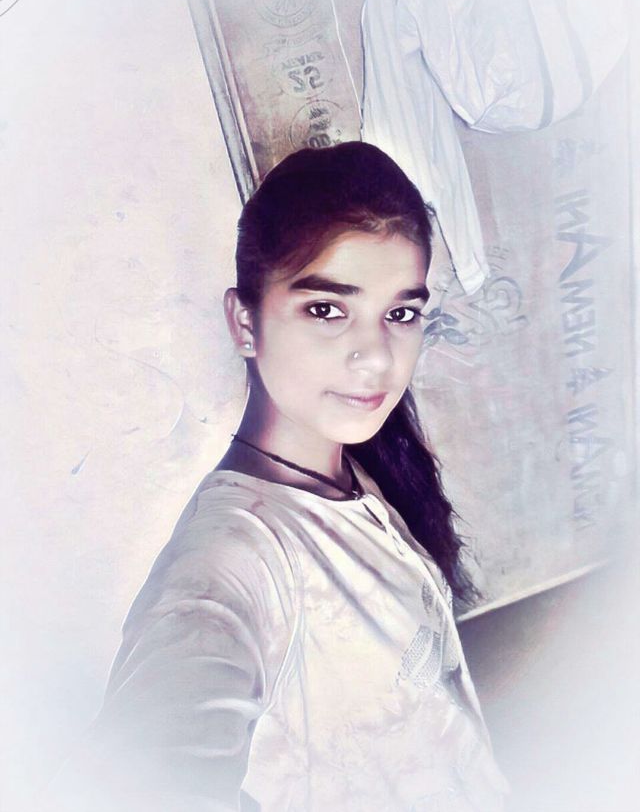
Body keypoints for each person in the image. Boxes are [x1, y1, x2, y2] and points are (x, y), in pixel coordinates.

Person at [45, 142, 509, 811]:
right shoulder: (235, 556)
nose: (377, 357)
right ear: (244, 321)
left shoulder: (360, 470)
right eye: (326, 309)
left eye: (400, 313)